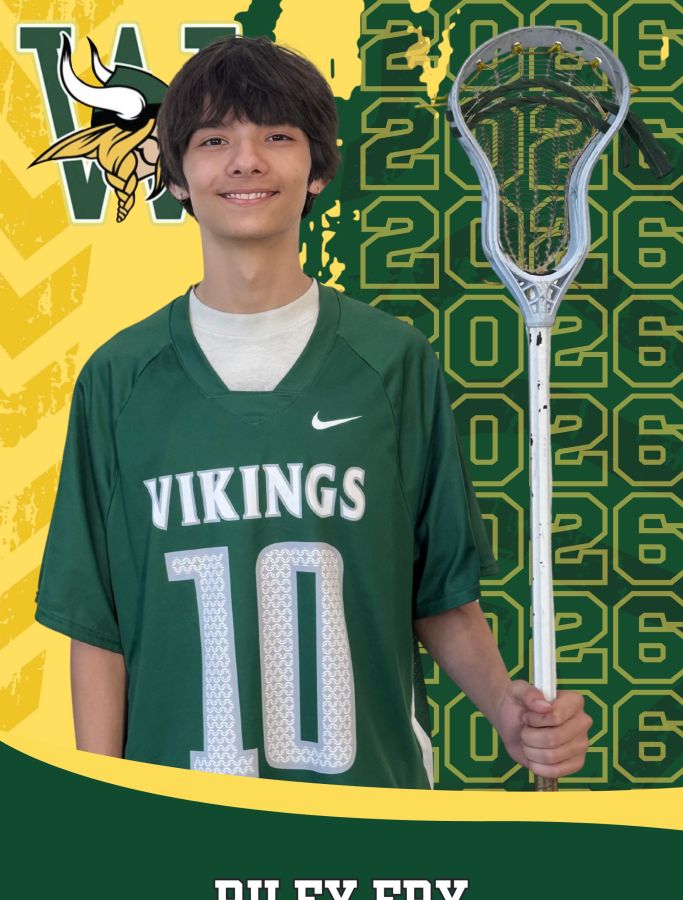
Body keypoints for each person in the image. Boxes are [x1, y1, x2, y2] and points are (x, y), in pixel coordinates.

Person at [35, 35, 590, 787]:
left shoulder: (393, 362)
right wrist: (98, 807)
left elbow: (439, 597)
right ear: (176, 177)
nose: (245, 161)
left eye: (277, 136)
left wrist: (507, 711)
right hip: (180, 815)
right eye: (213, 140)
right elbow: (98, 630)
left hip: (367, 811)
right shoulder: (118, 378)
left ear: (319, 168)